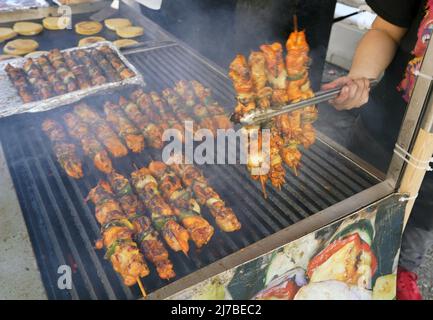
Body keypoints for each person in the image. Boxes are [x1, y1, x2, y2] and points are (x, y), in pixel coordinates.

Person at [323, 0, 433, 300]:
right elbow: (386, 30)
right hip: (384, 132)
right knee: (348, 211)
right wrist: (361, 77)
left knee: (423, 217)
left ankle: (404, 271)